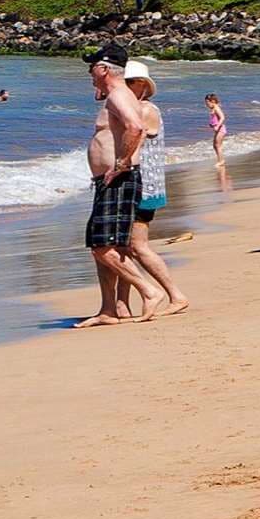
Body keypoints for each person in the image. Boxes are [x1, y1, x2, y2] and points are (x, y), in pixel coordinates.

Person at [78, 51, 168, 326]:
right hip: (109, 179)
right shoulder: (114, 95)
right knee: (108, 246)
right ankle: (109, 309)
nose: (89, 72)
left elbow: (135, 127)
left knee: (101, 246)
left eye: (92, 67)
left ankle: (148, 291)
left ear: (104, 68)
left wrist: (121, 163)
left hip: (117, 178)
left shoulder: (118, 95)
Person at [120, 61, 191, 308]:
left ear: (141, 85)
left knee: (137, 246)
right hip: (140, 184)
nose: (123, 89)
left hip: (144, 187)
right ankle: (122, 304)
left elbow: (133, 143)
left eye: (128, 83)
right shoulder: (134, 108)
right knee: (124, 247)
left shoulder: (145, 110)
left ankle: (174, 294)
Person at [203, 91, 233, 191]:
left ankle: (221, 161)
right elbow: (214, 119)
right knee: (214, 145)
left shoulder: (216, 108)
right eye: (206, 103)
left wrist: (217, 125)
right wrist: (211, 124)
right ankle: (220, 160)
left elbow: (222, 117)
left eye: (207, 102)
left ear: (213, 101)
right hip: (218, 129)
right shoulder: (213, 109)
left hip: (221, 129)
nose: (206, 104)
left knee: (217, 144)